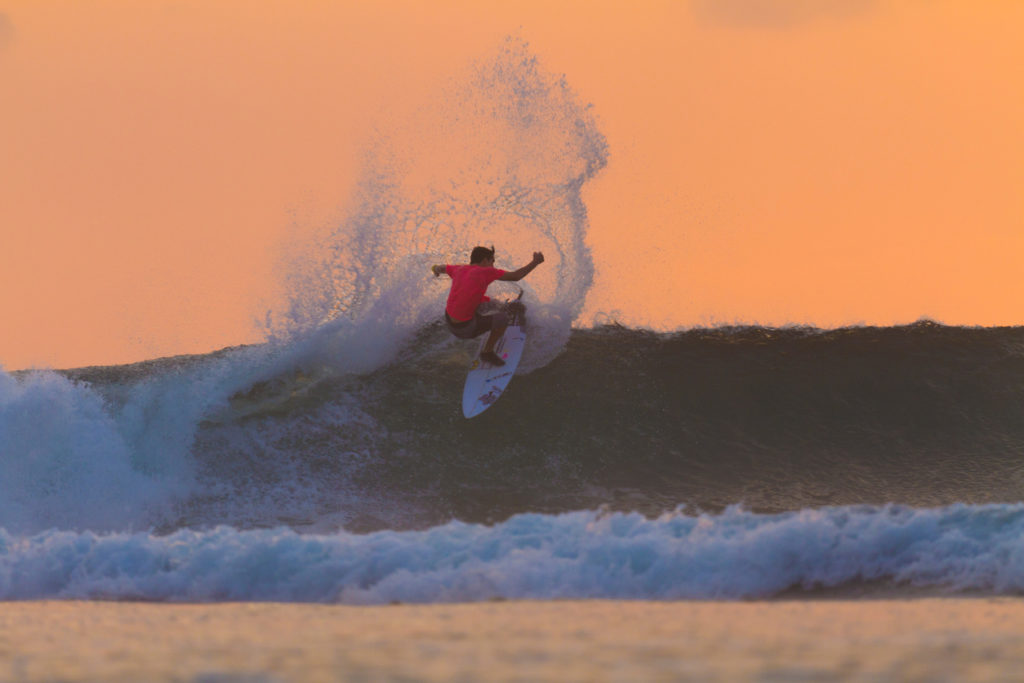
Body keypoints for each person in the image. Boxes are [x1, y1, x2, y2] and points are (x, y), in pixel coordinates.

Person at [432, 246, 544, 366]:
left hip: (449, 321)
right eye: (492, 262)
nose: (493, 266)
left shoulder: (459, 268)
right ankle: (487, 352)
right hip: (465, 329)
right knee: (503, 319)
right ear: (485, 260)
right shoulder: (486, 271)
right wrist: (535, 262)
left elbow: (441, 268)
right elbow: (516, 276)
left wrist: (435, 269)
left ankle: (506, 308)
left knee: (489, 302)